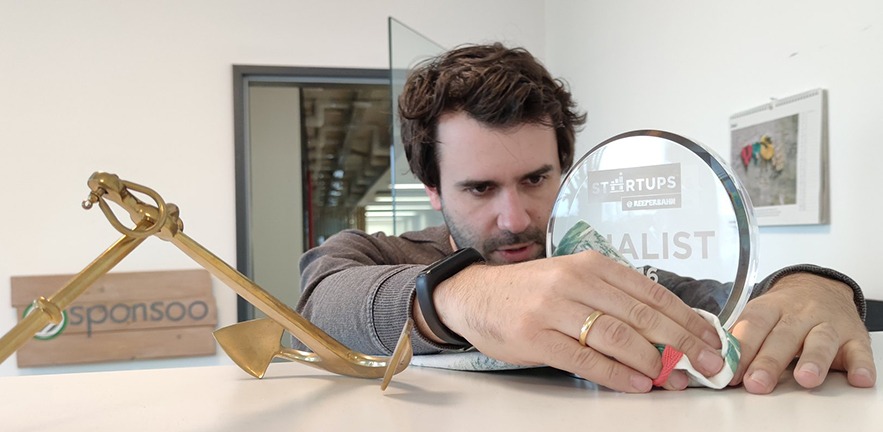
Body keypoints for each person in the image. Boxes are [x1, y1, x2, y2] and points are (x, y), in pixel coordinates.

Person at [296, 43, 875, 394]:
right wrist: (460, 298)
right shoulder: (382, 256)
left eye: (535, 179)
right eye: (480, 189)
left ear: (566, 172)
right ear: (433, 191)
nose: (514, 218)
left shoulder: (600, 264)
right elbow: (318, 305)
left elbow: (722, 303)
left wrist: (814, 287)